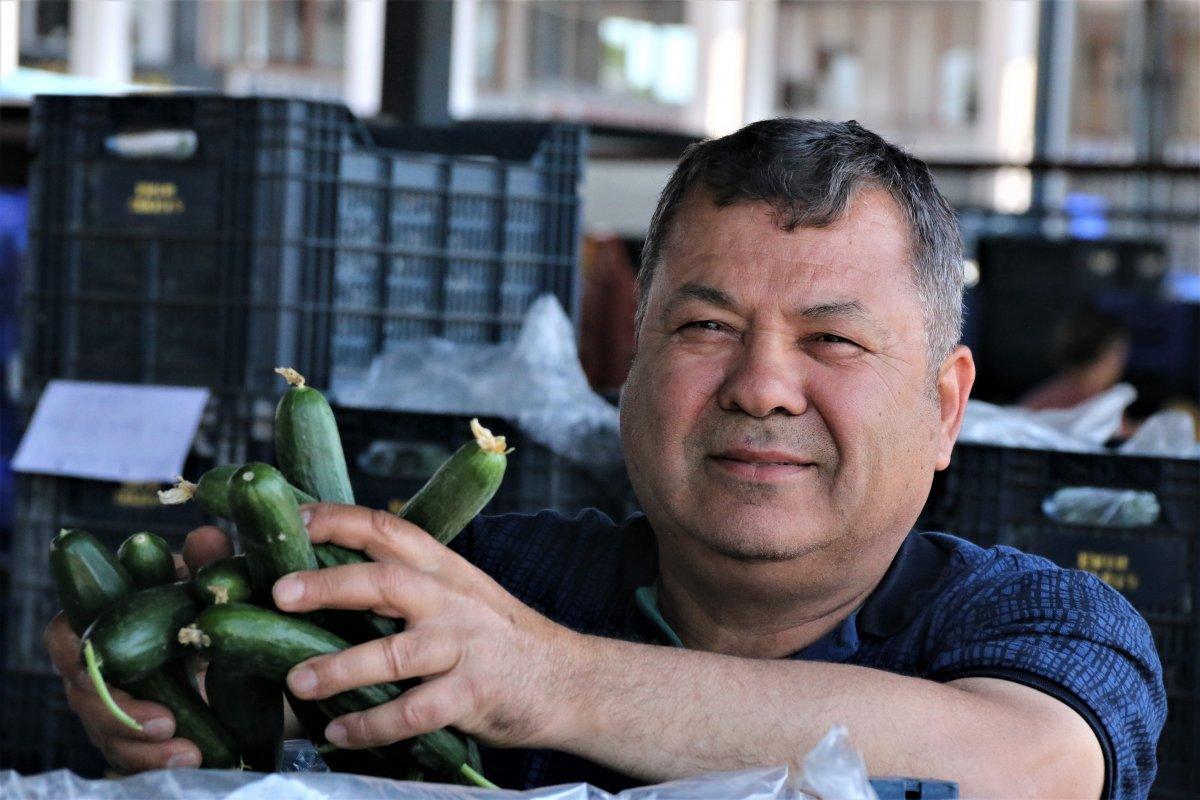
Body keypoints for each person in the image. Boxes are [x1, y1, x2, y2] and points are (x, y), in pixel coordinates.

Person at [45, 120, 1163, 799]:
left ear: (946, 406)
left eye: (832, 339)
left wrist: (549, 679)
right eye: (703, 327)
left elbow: (1028, 768)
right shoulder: (497, 581)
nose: (762, 385)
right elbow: (307, 703)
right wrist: (188, 693)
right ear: (626, 369)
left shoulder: (1046, 623)